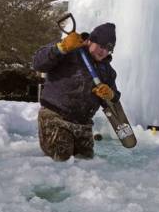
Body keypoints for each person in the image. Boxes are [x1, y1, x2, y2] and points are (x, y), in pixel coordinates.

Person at [33, 23, 120, 161]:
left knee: (87, 165)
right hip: (55, 118)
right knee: (61, 160)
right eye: (101, 46)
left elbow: (113, 100)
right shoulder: (69, 48)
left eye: (108, 49)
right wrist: (60, 49)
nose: (103, 52)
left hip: (83, 125)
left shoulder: (108, 71)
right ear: (90, 40)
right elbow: (38, 63)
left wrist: (110, 95)